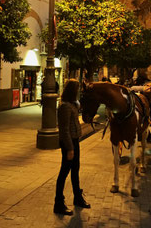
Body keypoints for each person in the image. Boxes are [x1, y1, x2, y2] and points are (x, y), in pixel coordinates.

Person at [54, 79, 91, 216]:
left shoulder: (72, 104)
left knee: (75, 170)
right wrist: (70, 149)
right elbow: (63, 130)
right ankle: (58, 203)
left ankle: (77, 197)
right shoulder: (64, 106)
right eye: (77, 89)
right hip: (68, 143)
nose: (78, 91)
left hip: (75, 141)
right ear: (72, 91)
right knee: (64, 172)